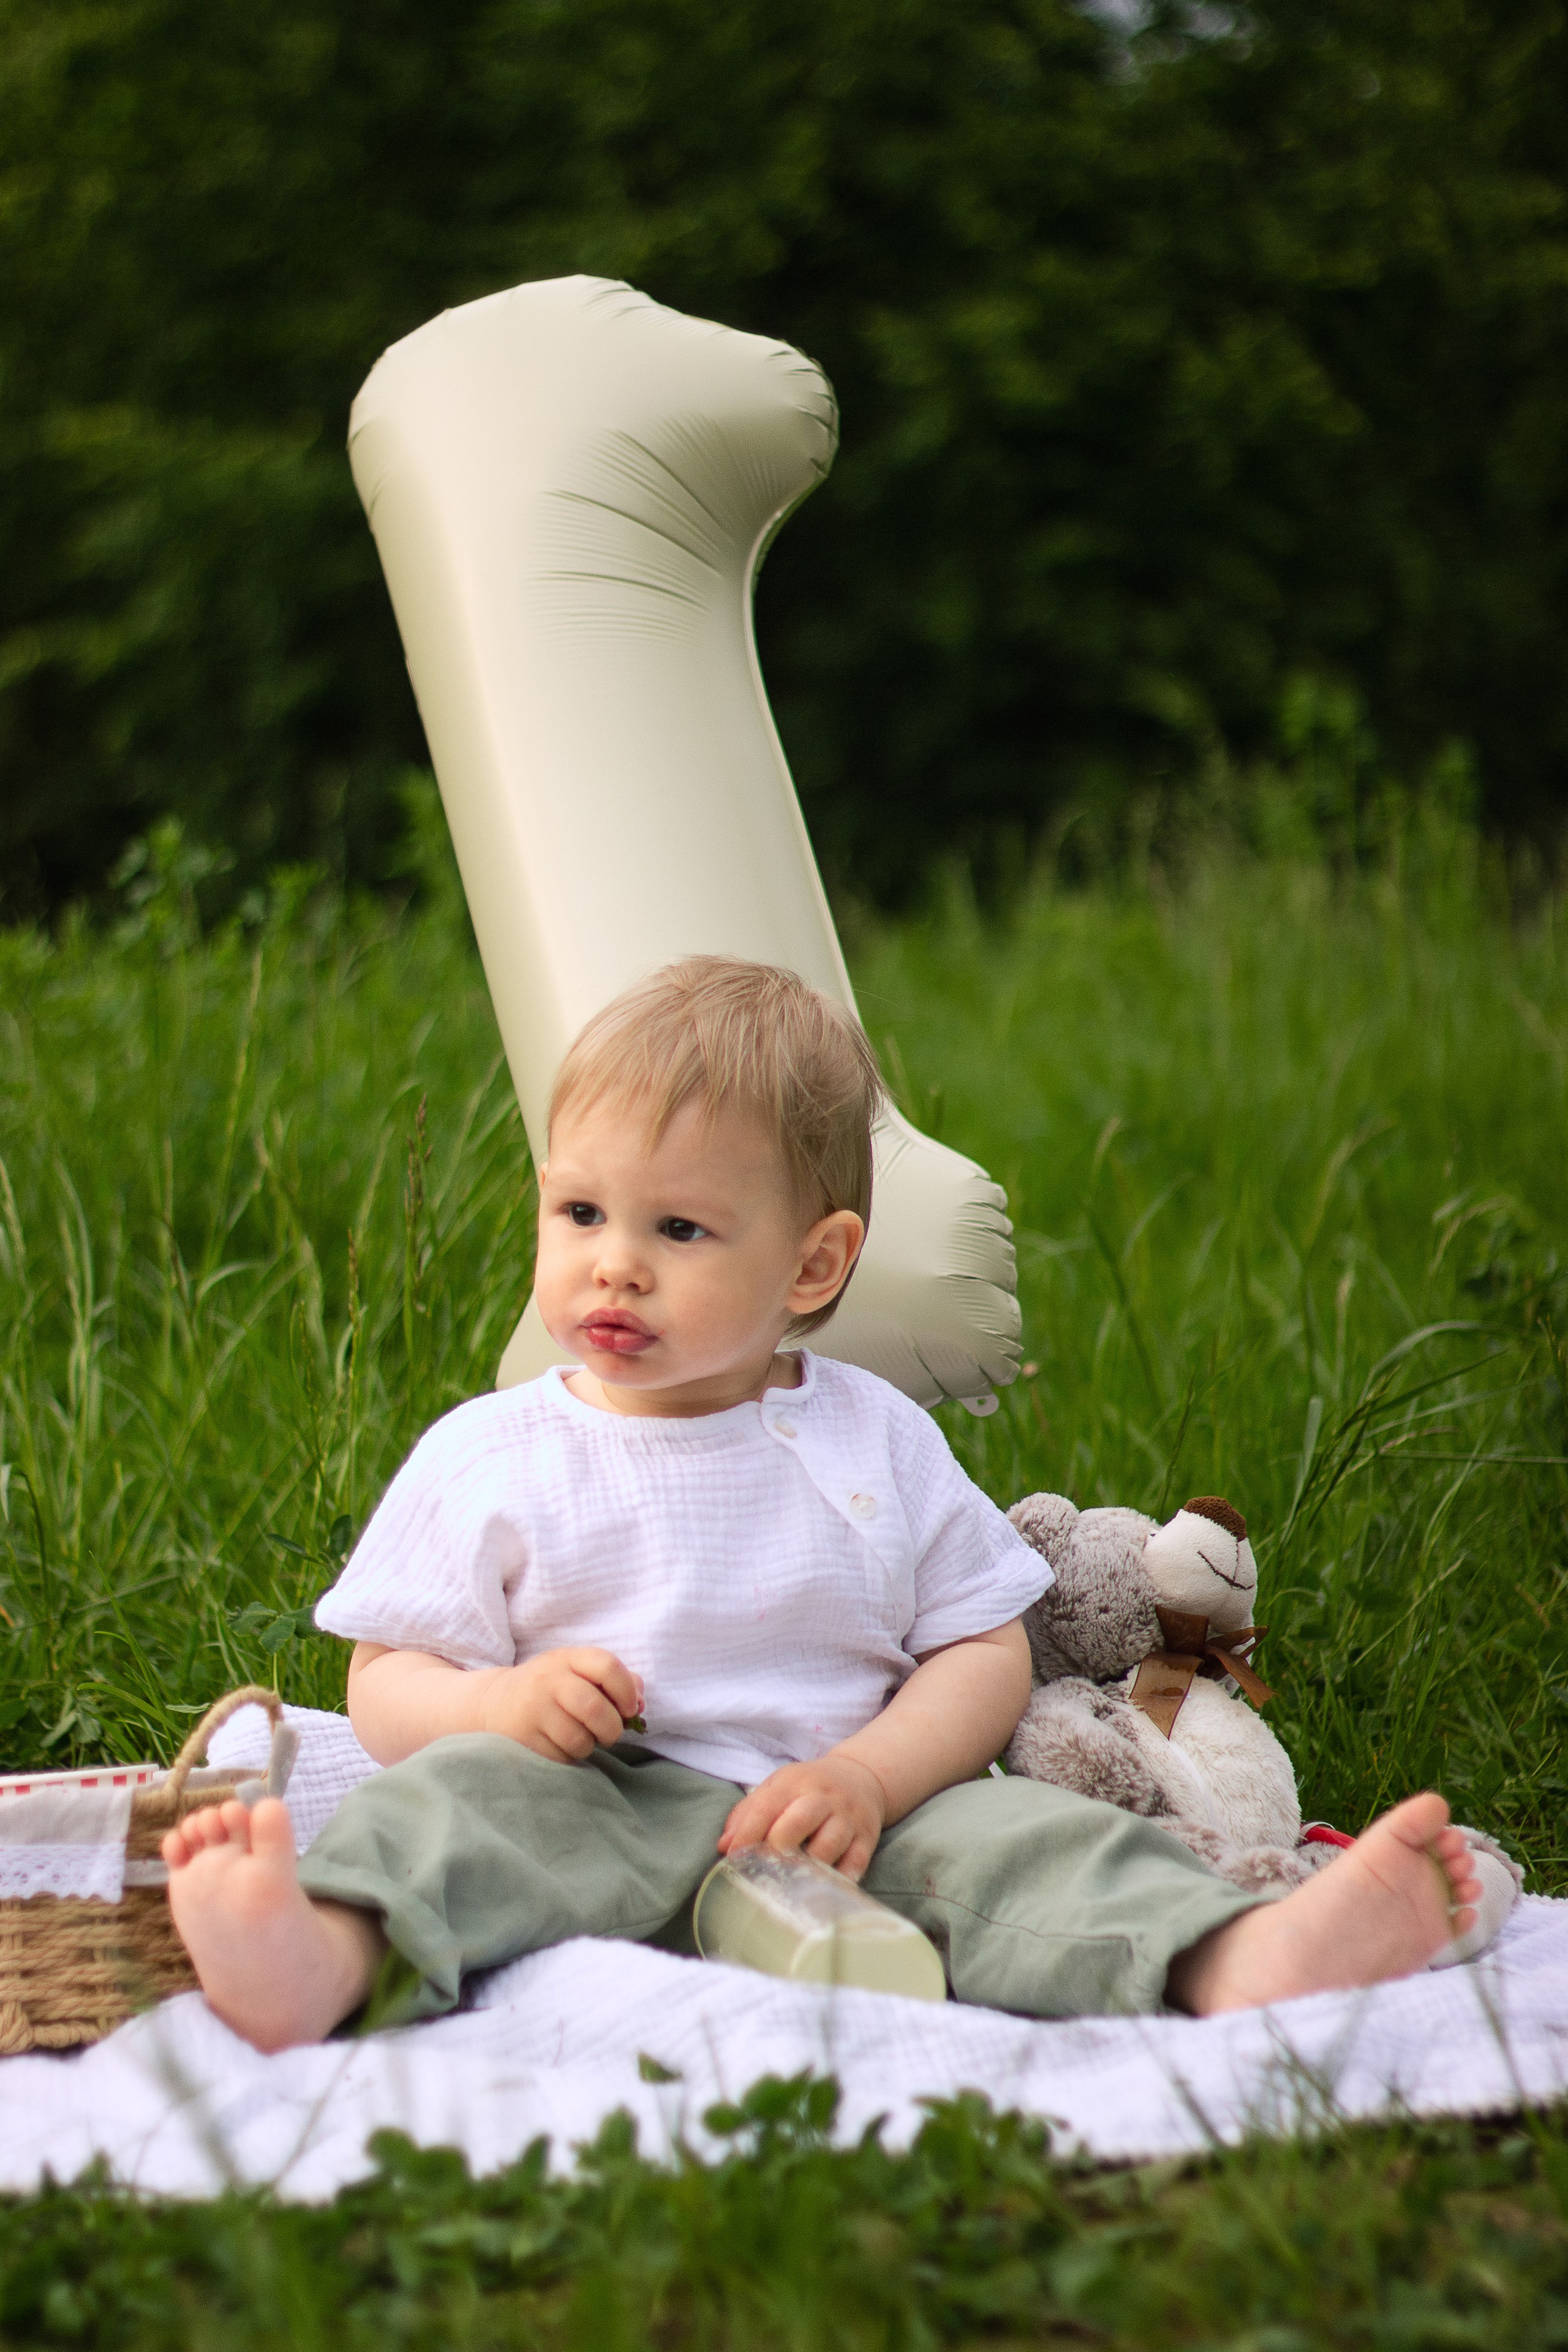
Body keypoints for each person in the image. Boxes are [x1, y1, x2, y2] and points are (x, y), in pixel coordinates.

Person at [164, 957, 1480, 2052]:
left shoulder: (872, 1437)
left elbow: (984, 1647)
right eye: (578, 1211)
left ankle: (1235, 1953)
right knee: (448, 1813)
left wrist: (871, 1772)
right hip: (596, 1796)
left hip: (853, 1811)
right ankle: (315, 1958)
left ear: (813, 1263)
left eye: (678, 1231)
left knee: (1032, 1846)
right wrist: (491, 1708)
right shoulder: (495, 1453)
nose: (611, 1264)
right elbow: (384, 1673)